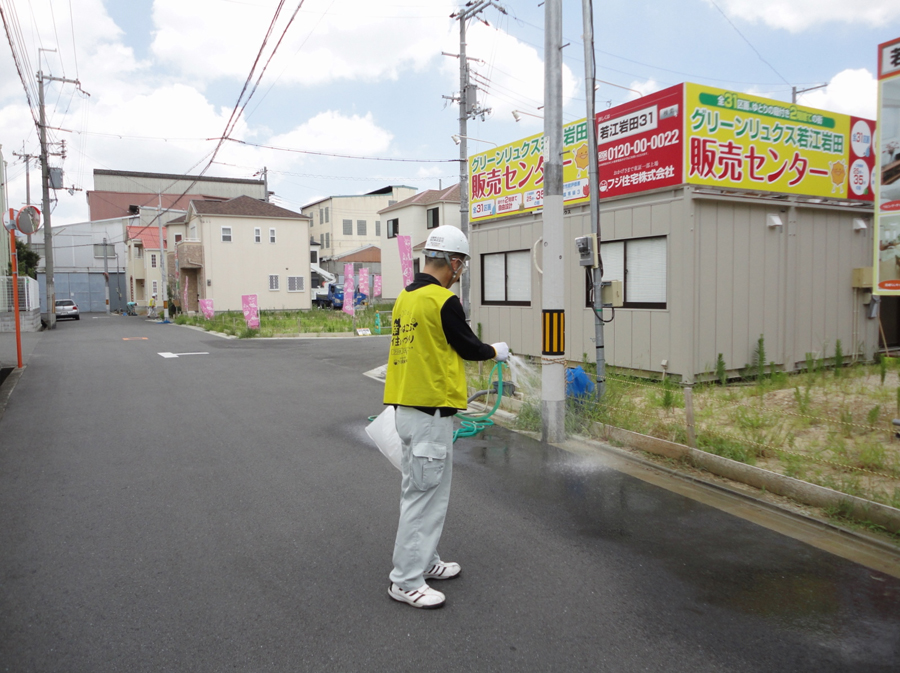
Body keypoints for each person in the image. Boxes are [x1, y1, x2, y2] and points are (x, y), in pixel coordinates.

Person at [383, 225, 509, 609]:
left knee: (423, 492)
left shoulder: (406, 297)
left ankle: (425, 561)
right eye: (461, 266)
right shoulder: (442, 300)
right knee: (424, 498)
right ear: (453, 262)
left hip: (407, 409)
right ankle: (406, 580)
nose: (460, 273)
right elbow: (468, 347)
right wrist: (496, 351)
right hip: (429, 414)